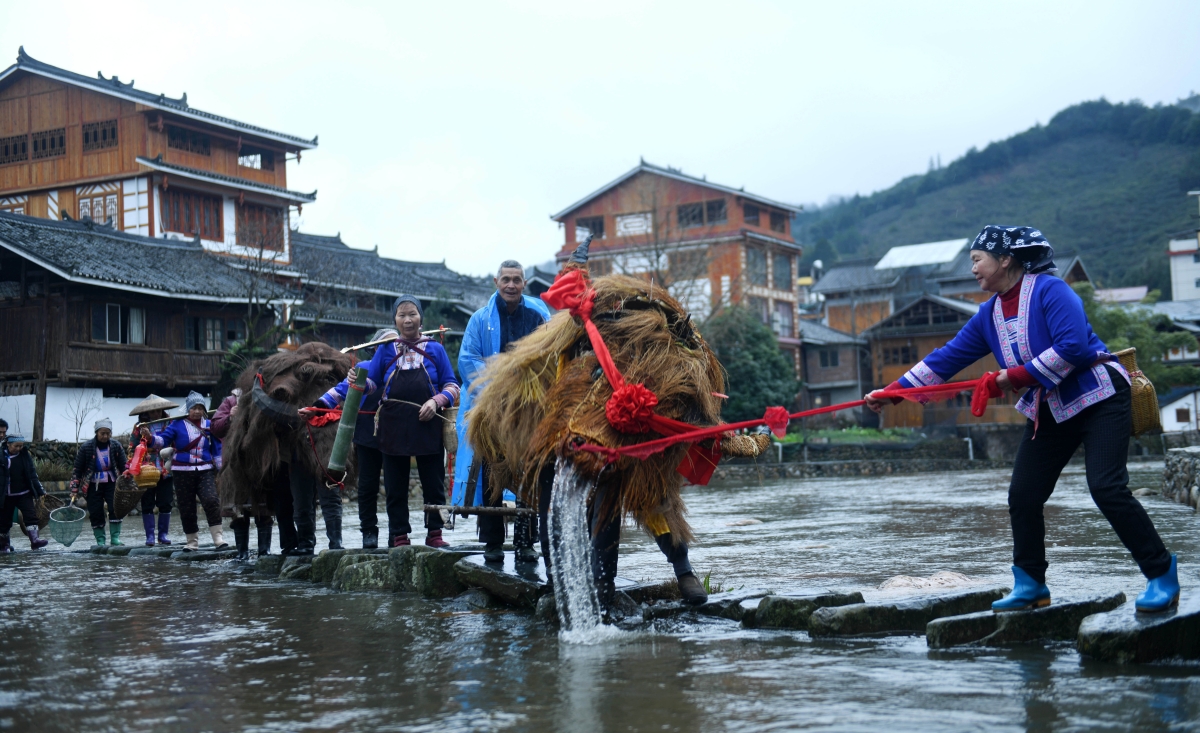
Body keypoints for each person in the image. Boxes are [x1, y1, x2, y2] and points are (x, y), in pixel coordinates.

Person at [866, 225, 1180, 614]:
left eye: (978, 260)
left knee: (1106, 488)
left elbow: (1074, 348)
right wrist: (895, 392)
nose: (974, 270)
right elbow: (946, 358)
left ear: (1005, 259)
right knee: (1024, 495)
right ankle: (1031, 583)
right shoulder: (989, 314)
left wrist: (1009, 377)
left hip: (1100, 397)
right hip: (1052, 405)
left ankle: (1161, 572)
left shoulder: (1052, 290)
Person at [455, 260, 551, 563]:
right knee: (492, 473)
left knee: (528, 474)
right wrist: (495, 384)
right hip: (492, 408)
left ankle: (525, 542)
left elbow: (549, 357)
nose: (511, 285)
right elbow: (467, 359)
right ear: (496, 282)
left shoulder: (538, 316)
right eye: (506, 279)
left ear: (524, 283)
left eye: (517, 280)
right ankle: (493, 542)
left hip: (529, 408)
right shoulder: (479, 320)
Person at [360, 295, 459, 548]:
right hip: (393, 424)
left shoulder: (435, 348)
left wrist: (436, 401)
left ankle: (435, 533)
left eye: (412, 314)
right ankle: (399, 535)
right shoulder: (385, 348)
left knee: (433, 481)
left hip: (428, 421)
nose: (407, 319)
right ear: (394, 319)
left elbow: (452, 385)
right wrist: (357, 380)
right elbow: (372, 384)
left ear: (420, 318)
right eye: (402, 315)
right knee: (395, 484)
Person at [312, 327, 396, 549]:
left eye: (395, 346)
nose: (390, 350)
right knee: (367, 487)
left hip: (398, 437)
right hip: (367, 436)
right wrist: (318, 407)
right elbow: (340, 391)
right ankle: (369, 531)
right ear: (376, 350)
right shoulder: (363, 369)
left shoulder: (403, 369)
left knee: (395, 487)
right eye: (385, 346)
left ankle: (397, 533)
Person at [143, 391, 227, 552]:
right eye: (193, 408)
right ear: (188, 409)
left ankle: (218, 539)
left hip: (205, 469)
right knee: (186, 506)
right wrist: (150, 438)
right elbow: (162, 440)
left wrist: (221, 467)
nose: (197, 411)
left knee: (211, 500)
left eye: (200, 408)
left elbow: (217, 447)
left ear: (204, 409)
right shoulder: (176, 425)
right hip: (182, 471)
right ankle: (192, 541)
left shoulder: (210, 425)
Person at [212, 388, 274, 561]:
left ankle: (264, 552)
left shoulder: (265, 398)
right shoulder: (230, 401)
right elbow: (215, 427)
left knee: (263, 508)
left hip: (260, 463)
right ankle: (242, 553)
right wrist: (230, 417)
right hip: (234, 465)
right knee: (236, 509)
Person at [128, 395, 179, 547]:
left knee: (165, 503)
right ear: (147, 412)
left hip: (165, 470)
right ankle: (150, 536)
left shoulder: (171, 423)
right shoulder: (139, 427)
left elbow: (177, 443)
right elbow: (132, 448)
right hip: (146, 471)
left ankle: (163, 535)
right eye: (152, 412)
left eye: (158, 411)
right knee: (147, 503)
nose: (156, 414)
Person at [71, 418, 127, 547]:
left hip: (112, 482)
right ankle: (100, 540)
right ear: (96, 433)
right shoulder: (86, 447)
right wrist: (74, 489)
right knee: (95, 511)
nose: (105, 436)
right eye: (102, 433)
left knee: (115, 508)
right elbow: (77, 470)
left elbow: (124, 465)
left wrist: (127, 478)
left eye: (108, 433)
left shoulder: (116, 446)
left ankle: (115, 538)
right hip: (92, 484)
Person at [0, 434, 47, 552]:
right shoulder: (2, 456)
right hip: (6, 495)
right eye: (16, 446)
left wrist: (40, 491)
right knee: (4, 521)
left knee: (31, 516)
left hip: (23, 493)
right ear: (8, 444)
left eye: (21, 446)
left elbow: (32, 474)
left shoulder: (24, 456)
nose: (19, 448)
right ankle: (4, 545)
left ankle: (35, 541)